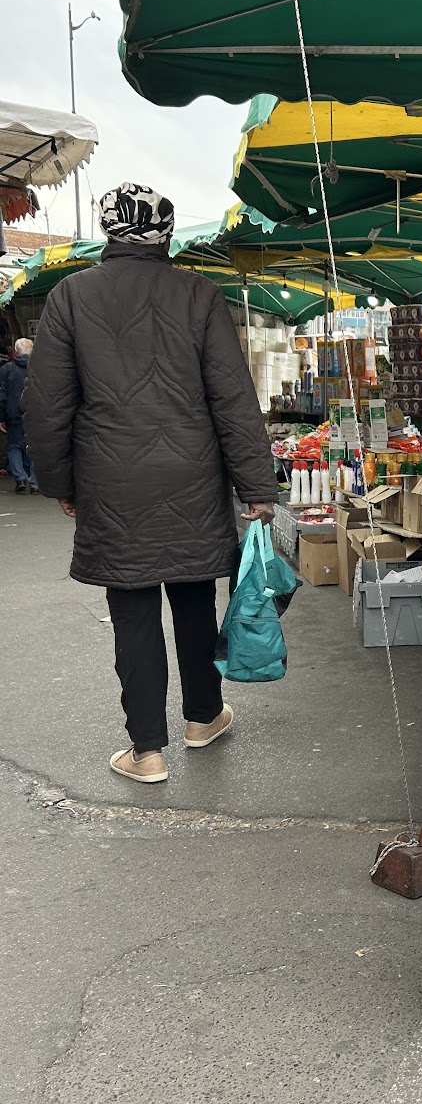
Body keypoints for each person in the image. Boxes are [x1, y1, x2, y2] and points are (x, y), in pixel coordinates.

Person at [23, 183, 277, 785]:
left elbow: (48, 405)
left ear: (109, 230)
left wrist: (61, 483)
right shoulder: (200, 293)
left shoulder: (70, 296)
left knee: (132, 608)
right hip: (193, 471)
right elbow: (233, 398)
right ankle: (203, 717)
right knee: (192, 599)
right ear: (165, 234)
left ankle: (146, 750)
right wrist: (256, 487)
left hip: (111, 479)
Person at [0, 338, 37, 493]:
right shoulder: (39, 368)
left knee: (14, 446)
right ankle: (35, 484)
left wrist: (1, 416)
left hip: (13, 413)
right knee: (36, 448)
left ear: (16, 352)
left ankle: (20, 477)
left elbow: (2, 394)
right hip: (36, 414)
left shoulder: (6, 369)